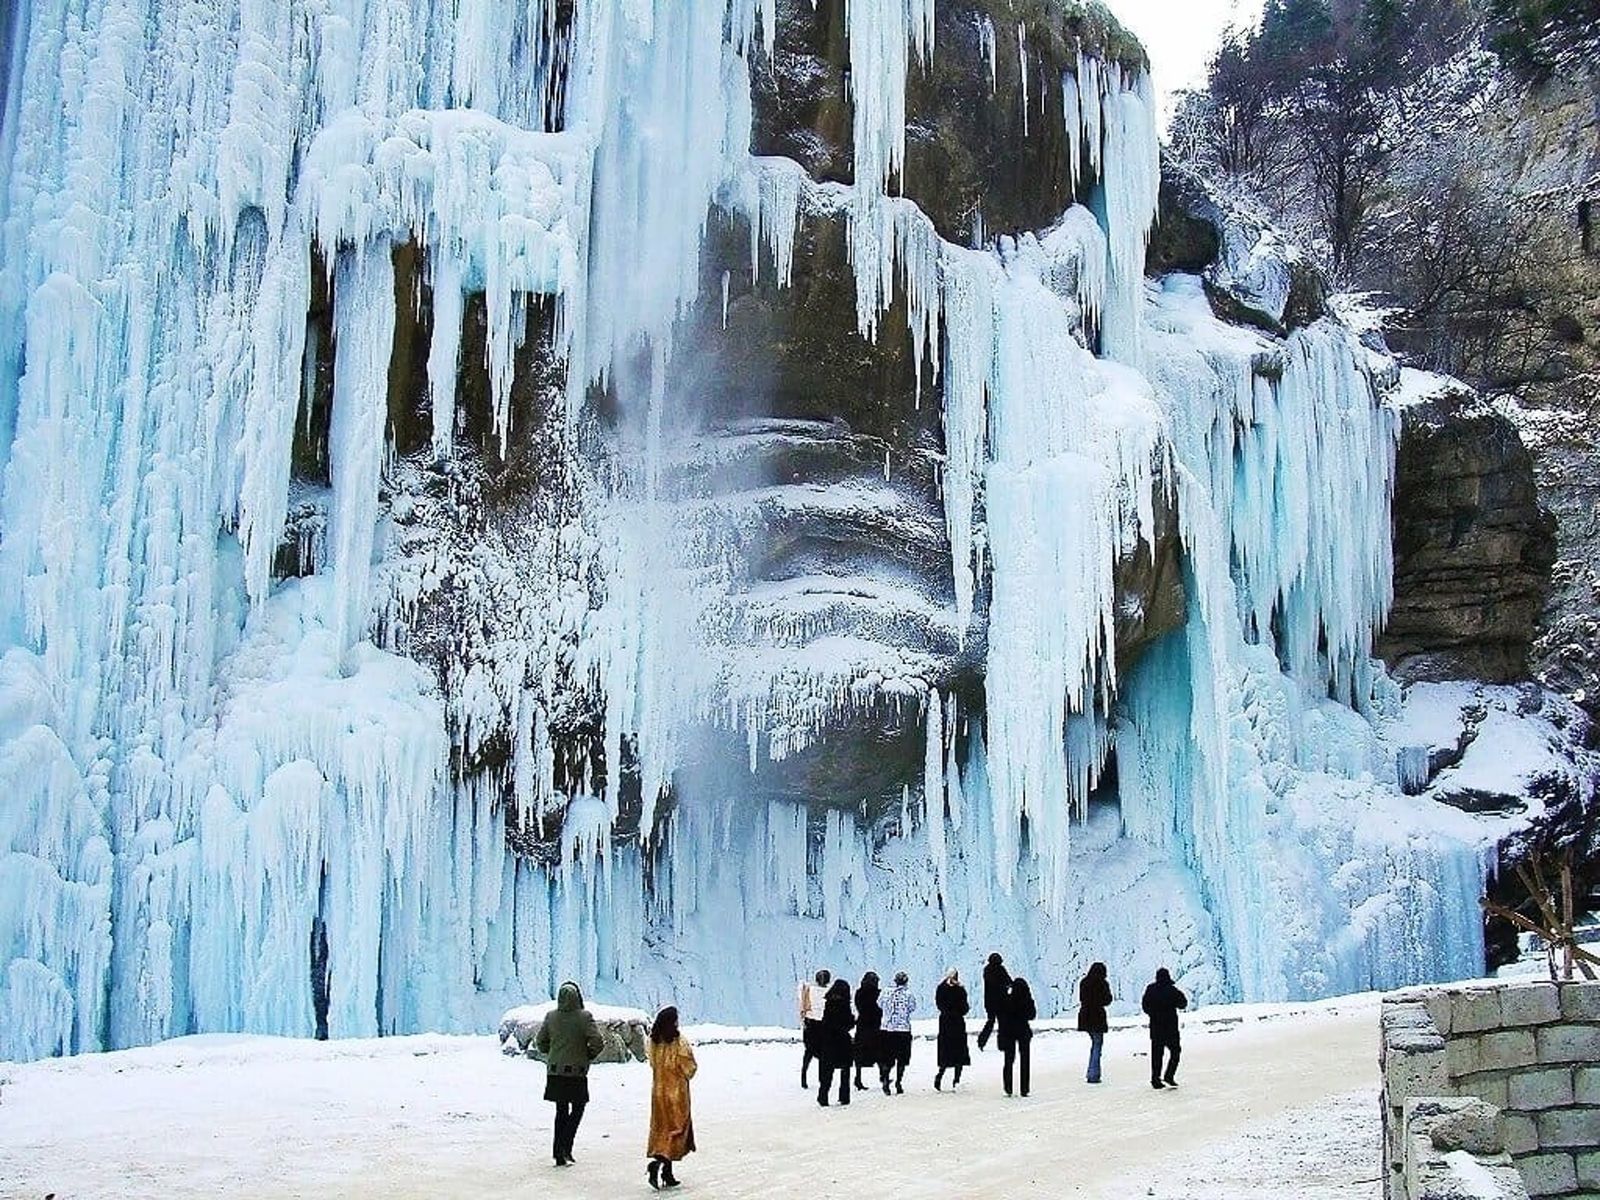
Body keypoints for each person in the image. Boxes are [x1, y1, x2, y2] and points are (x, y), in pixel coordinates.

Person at [535, 981, 605, 1166]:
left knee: (561, 1111)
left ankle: (559, 1151)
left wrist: (551, 1053)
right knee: (578, 1108)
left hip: (555, 1072)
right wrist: (587, 1055)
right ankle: (566, 1146)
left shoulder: (551, 1017)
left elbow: (540, 1042)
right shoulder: (584, 1017)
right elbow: (598, 1041)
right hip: (576, 1072)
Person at [646, 1006, 696, 1191]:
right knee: (677, 1130)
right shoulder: (679, 1042)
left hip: (658, 1093)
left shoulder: (654, 1041)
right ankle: (658, 1164)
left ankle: (667, 1173)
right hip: (676, 1094)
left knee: (662, 1130)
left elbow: (652, 1062)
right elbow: (689, 1068)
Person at [1141, 967, 1188, 1089]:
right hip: (1170, 1027)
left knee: (1157, 1054)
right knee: (1175, 1051)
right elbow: (1183, 1003)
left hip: (1156, 1027)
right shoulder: (1172, 990)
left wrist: (1153, 1013)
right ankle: (1169, 1075)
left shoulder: (1150, 989)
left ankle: (1155, 1079)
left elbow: (1145, 1005)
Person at [817, 977, 856, 1107]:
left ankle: (823, 1096)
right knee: (845, 1070)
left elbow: (825, 1022)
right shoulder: (844, 1005)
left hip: (828, 1041)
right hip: (842, 1041)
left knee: (827, 1071)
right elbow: (848, 1023)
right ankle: (844, 1097)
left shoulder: (828, 1003)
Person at [933, 967, 971, 1091]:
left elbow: (939, 1004)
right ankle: (956, 1080)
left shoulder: (941, 988)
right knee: (959, 1051)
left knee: (946, 1050)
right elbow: (965, 1008)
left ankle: (940, 1075)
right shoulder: (960, 989)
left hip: (944, 1023)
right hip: (957, 1023)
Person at [998, 976, 1036, 1098]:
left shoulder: (1007, 999)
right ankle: (1024, 1089)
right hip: (1023, 1032)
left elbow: (1001, 1016)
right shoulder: (1027, 1000)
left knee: (1008, 1060)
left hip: (1008, 1032)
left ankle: (1008, 1087)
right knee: (1025, 1060)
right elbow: (1032, 1015)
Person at [879, 970, 917, 1094]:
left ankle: (885, 1078)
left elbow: (879, 1004)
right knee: (902, 1058)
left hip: (887, 1029)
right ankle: (898, 1083)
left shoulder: (885, 992)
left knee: (887, 1057)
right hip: (903, 1030)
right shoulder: (908, 994)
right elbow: (912, 1008)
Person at [1077, 962, 1113, 1084]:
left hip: (1085, 1015)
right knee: (1097, 1045)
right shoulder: (1103, 983)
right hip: (1097, 1017)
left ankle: (1092, 1072)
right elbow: (1107, 1000)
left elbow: (1082, 998)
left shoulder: (1084, 982)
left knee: (1095, 1044)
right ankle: (1093, 1074)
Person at [798, 968, 831, 1089]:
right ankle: (822, 1078)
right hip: (824, 1025)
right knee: (823, 1053)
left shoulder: (809, 989)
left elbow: (801, 997)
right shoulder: (830, 992)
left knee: (808, 1051)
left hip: (810, 1024)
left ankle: (803, 1076)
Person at [853, 972, 883, 1091]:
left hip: (862, 1024)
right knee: (880, 1051)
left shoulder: (859, 993)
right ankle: (883, 1076)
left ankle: (858, 1078)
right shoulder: (878, 993)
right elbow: (880, 1008)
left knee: (860, 1052)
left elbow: (858, 1006)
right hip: (876, 1025)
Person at [976, 952, 1011, 1051]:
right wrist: (1008, 986)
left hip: (990, 1002)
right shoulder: (999, 969)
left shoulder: (987, 970)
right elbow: (1005, 982)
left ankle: (981, 1042)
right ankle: (1002, 1045)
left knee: (991, 1022)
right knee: (1002, 1023)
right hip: (1000, 1001)